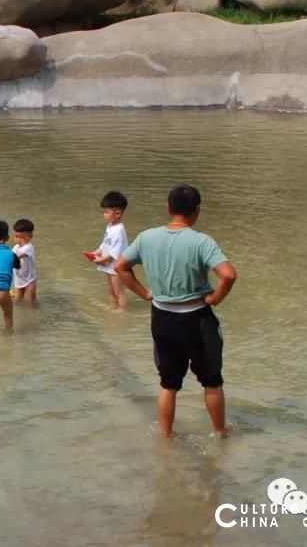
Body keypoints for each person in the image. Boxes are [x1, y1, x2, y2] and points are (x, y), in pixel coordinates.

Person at [114, 185, 237, 438]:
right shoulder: (201, 241)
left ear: (169, 208)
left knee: (168, 384)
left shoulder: (147, 237)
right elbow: (228, 275)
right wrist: (215, 298)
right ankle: (220, 432)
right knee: (212, 381)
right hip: (197, 320)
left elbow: (121, 266)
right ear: (197, 211)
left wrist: (144, 292)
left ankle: (166, 435)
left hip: (162, 318)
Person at [87, 191, 129, 310]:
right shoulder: (110, 226)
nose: (104, 215)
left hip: (117, 266)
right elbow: (105, 244)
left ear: (117, 213)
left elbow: (115, 252)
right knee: (111, 289)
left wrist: (101, 260)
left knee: (119, 291)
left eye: (106, 212)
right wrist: (96, 253)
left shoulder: (119, 230)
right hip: (108, 263)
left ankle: (123, 312)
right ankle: (112, 306)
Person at [11, 218, 37, 303]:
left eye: (22, 237)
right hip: (19, 279)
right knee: (17, 300)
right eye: (16, 236)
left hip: (29, 279)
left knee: (31, 301)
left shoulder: (29, 247)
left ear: (30, 236)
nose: (18, 239)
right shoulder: (15, 247)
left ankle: (32, 314)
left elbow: (16, 257)